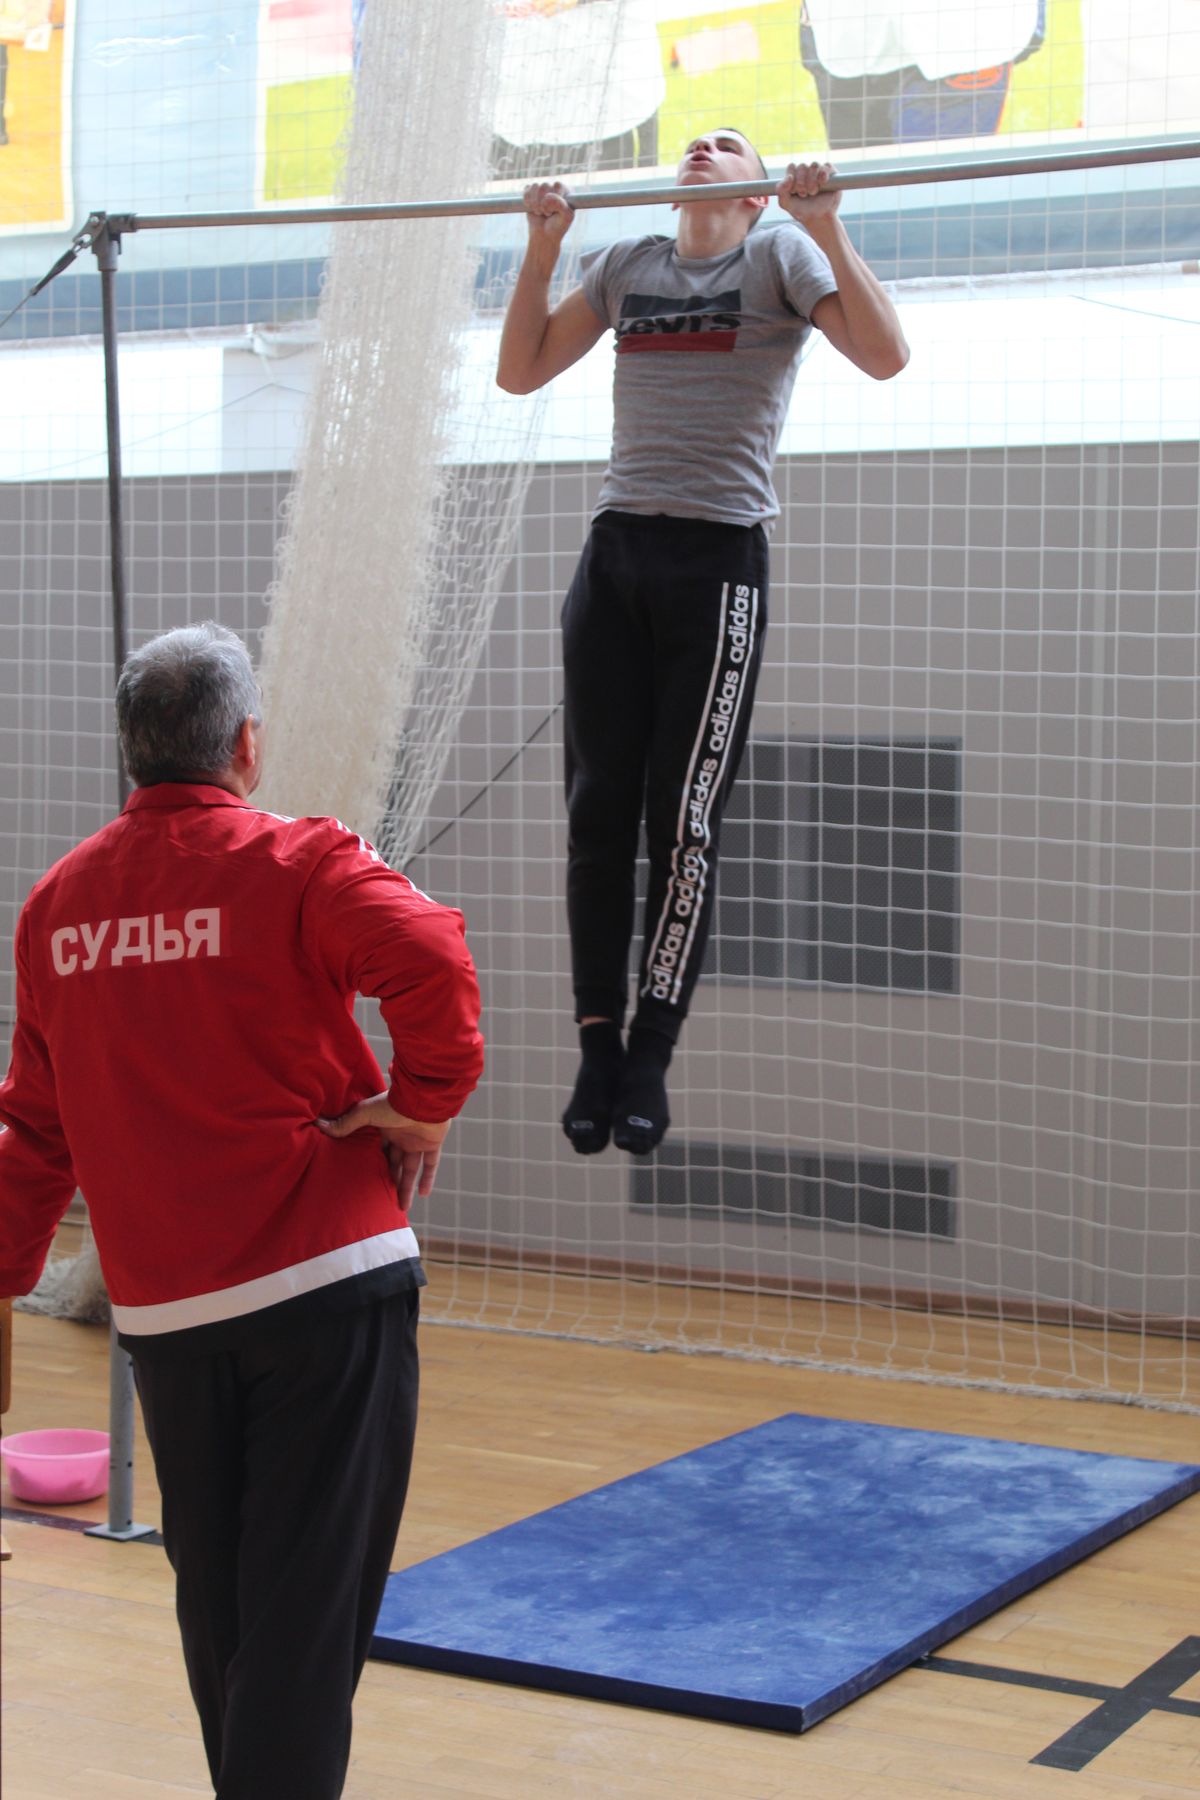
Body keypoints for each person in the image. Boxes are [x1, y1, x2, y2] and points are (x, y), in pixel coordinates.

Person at [0, 622, 484, 1800]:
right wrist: (423, 1106)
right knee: (298, 1630)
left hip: (172, 1320)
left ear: (130, 750)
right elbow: (433, 959)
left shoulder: (57, 908)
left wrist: (4, 1275)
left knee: (224, 1621)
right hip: (327, 1292)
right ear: (247, 746)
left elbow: (32, 1132)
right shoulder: (300, 860)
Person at [496, 127, 908, 1157]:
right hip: (616, 556)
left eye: (728, 145)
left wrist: (828, 225)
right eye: (695, 139)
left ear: (755, 192)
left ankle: (651, 1049)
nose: (701, 145)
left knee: (681, 822)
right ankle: (598, 1041)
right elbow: (521, 371)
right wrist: (543, 250)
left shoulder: (779, 256)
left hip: (717, 561)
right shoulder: (625, 263)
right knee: (596, 813)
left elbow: (885, 355)